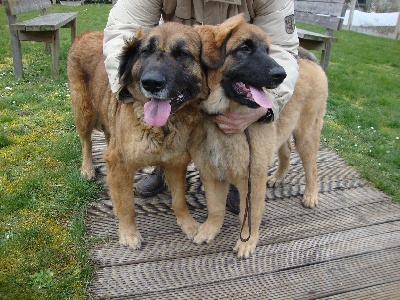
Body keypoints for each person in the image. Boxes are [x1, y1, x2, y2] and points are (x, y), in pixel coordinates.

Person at [103, 0, 299, 214]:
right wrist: (131, 84)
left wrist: (269, 105)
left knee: (239, 118)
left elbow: (282, 49)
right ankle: (163, 165)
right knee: (167, 113)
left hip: (234, 67)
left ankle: (237, 174)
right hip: (176, 62)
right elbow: (122, 30)